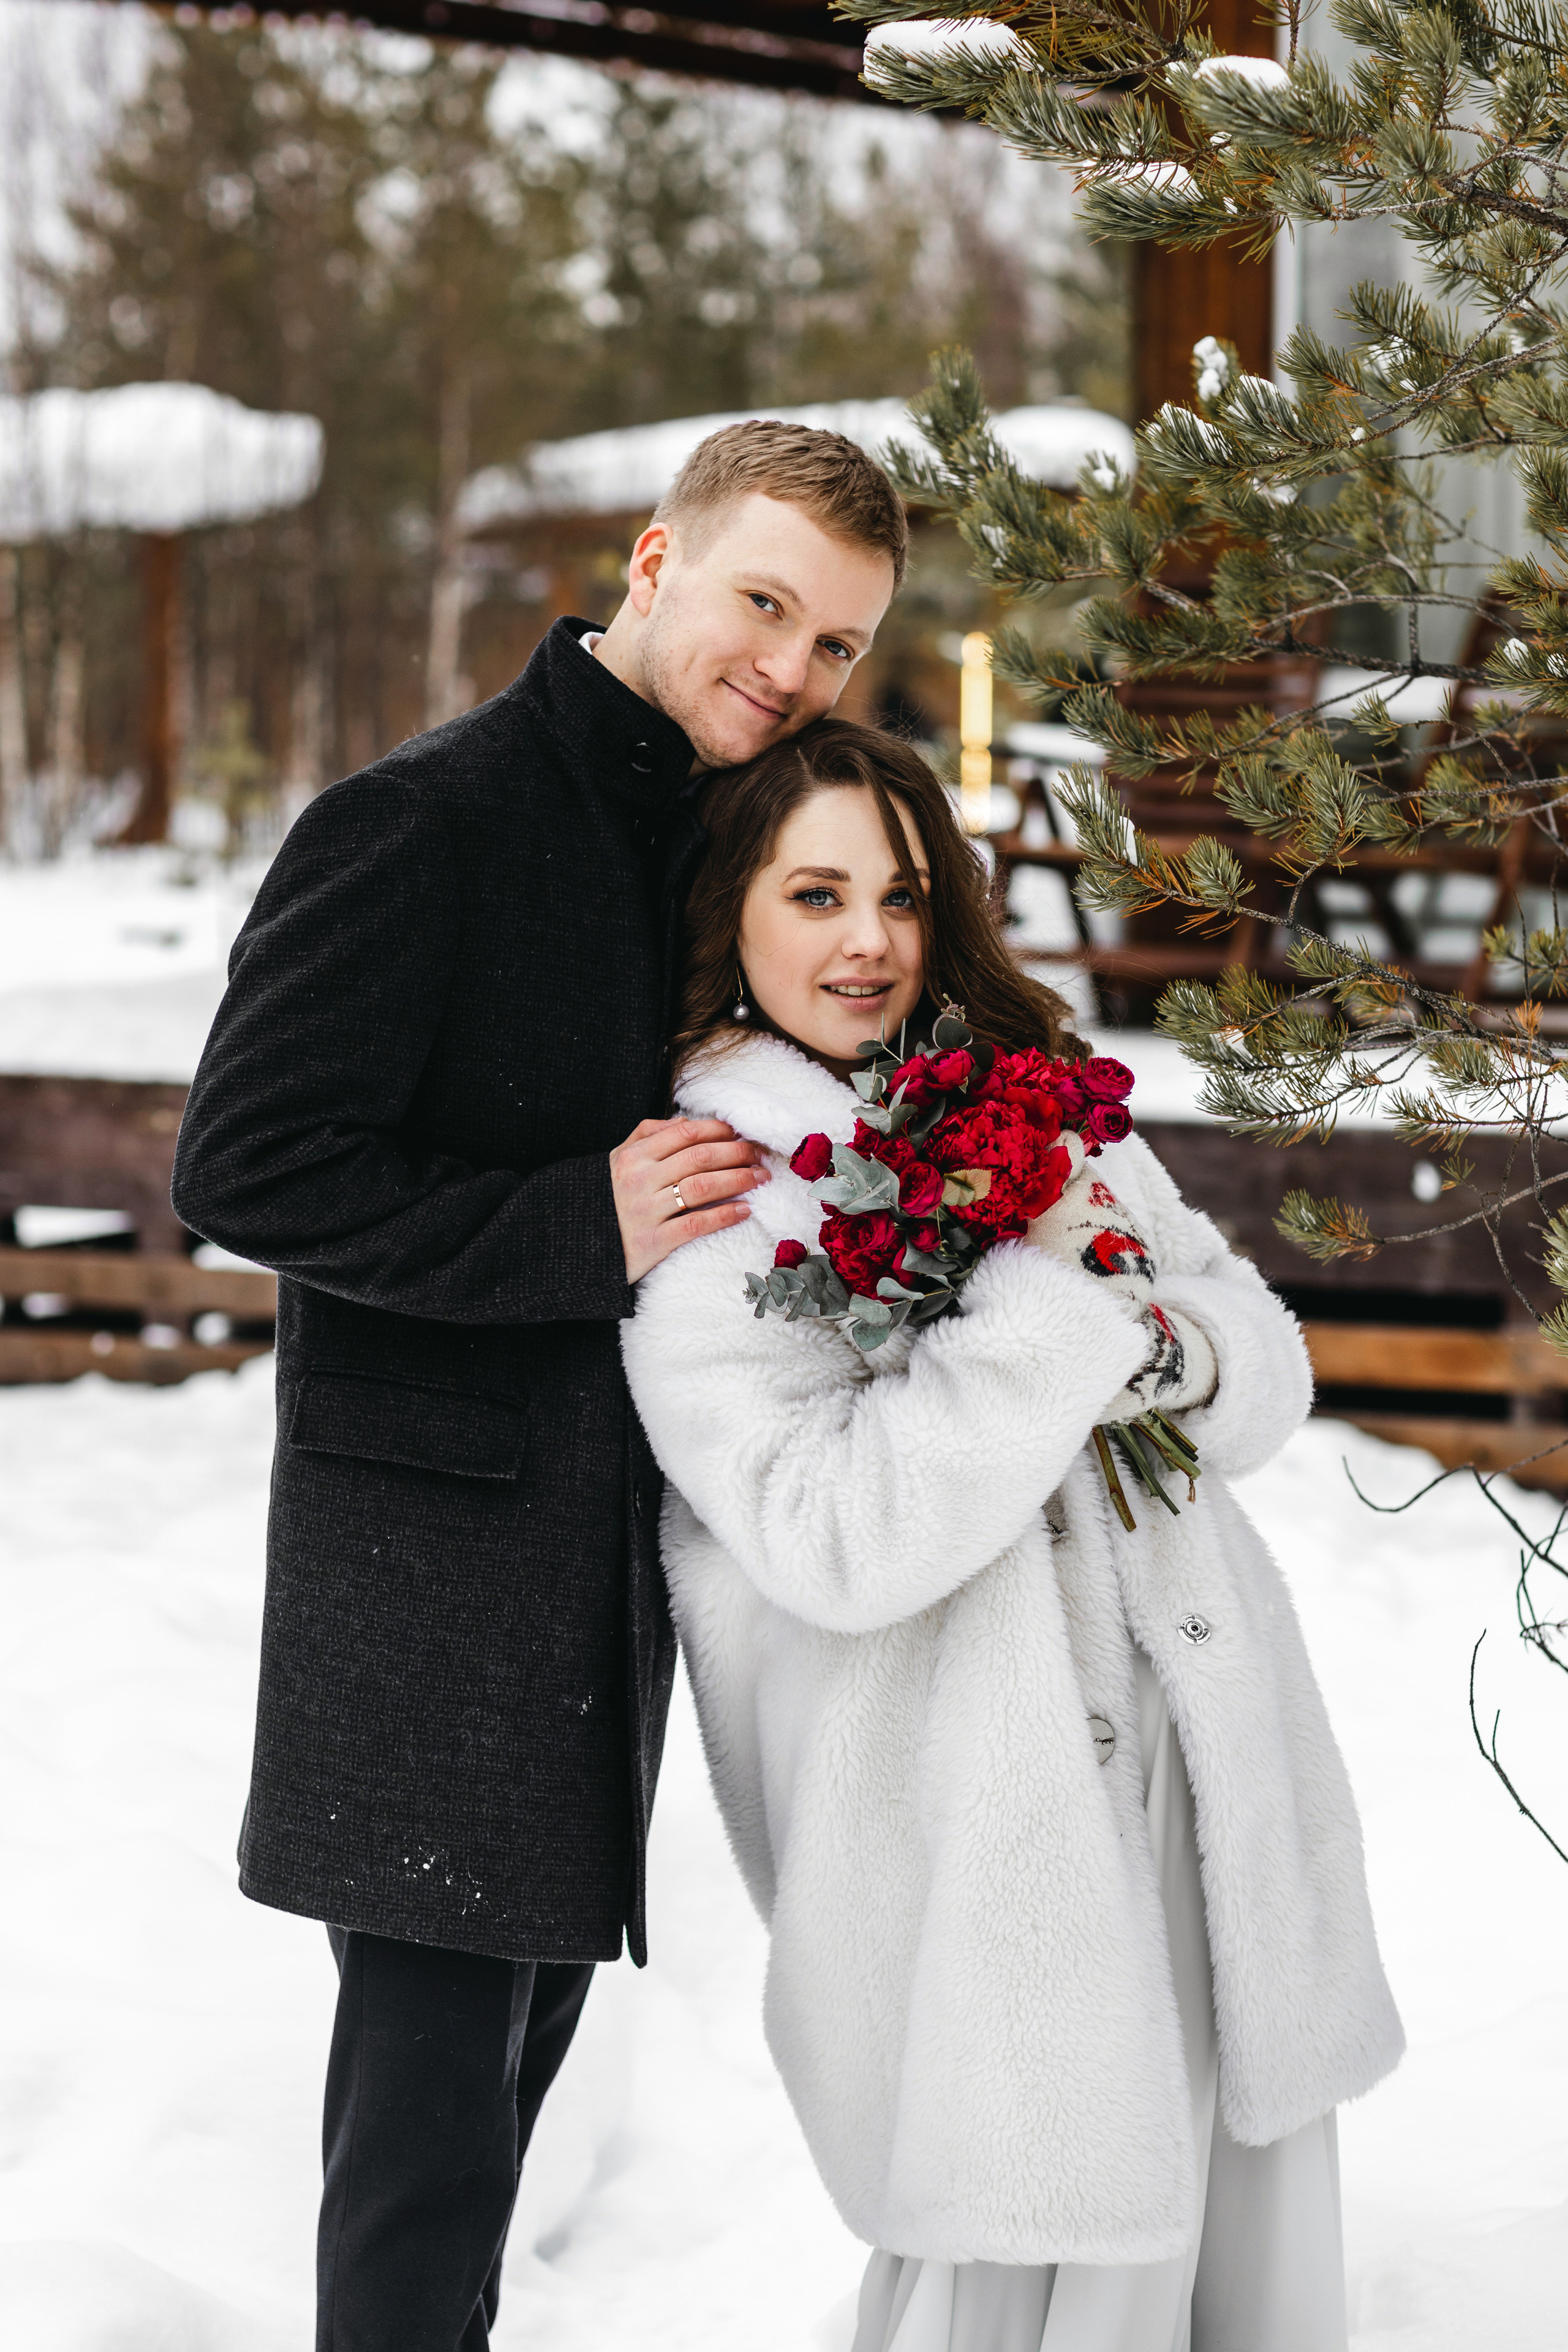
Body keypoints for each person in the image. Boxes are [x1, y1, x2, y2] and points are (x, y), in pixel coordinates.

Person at [168, 420, 907, 2352]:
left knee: (506, 2092)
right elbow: (246, 1167)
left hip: (597, 1570)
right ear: (654, 566)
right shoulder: (427, 820)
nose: (793, 667)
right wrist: (575, 1222)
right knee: (422, 2141)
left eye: (837, 645)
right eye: (766, 604)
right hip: (424, 1574)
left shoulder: (713, 839)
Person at [620, 717, 1404, 2352]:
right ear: (732, 915)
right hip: (976, 1813)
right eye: (817, 894)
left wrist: (1150, 1342)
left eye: (901, 898)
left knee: (1220, 2213)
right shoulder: (718, 1198)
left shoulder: (1031, 1110)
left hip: (1190, 1745)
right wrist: (1052, 1307)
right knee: (1030, 2239)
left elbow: (1250, 1363)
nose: (868, 942)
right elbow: (830, 1533)